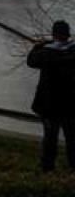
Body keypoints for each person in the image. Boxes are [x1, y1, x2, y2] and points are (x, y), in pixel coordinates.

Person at [27, 19, 75, 172]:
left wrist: (38, 45)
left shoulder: (45, 53)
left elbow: (31, 61)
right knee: (72, 138)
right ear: (68, 35)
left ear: (54, 35)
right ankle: (73, 167)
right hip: (70, 105)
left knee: (50, 138)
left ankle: (47, 168)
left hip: (49, 105)